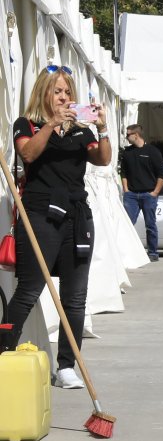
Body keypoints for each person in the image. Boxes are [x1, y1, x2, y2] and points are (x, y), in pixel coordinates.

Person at [0, 64, 113, 389]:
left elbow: (102, 159)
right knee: (29, 290)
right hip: (39, 215)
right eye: (57, 91)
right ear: (44, 93)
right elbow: (28, 154)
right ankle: (4, 351)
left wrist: (103, 128)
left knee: (75, 298)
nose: (64, 97)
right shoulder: (27, 124)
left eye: (67, 92)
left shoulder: (80, 130)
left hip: (77, 216)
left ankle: (66, 367)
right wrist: (51, 124)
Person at [119, 123, 163, 261]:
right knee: (127, 224)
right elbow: (123, 173)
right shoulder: (127, 152)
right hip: (131, 195)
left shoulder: (153, 151)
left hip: (148, 194)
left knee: (150, 225)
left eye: (128, 134)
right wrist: (126, 190)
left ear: (136, 135)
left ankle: (153, 253)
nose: (126, 137)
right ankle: (126, 253)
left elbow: (161, 174)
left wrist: (155, 193)